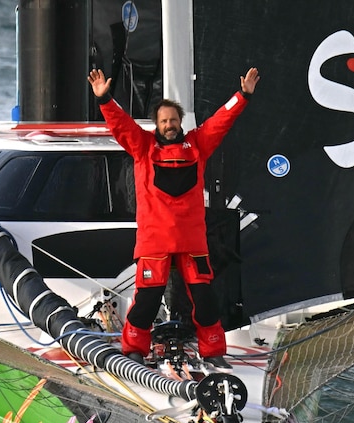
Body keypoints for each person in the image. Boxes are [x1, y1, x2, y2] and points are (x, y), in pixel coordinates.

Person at [87, 66, 259, 371]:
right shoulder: (143, 147)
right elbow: (121, 125)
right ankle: (134, 349)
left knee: (205, 301)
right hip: (156, 242)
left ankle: (213, 351)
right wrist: (104, 99)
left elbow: (222, 120)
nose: (169, 125)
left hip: (193, 241)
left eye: (174, 120)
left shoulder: (198, 145)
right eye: (164, 121)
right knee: (147, 301)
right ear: (157, 124)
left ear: (181, 123)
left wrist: (242, 96)